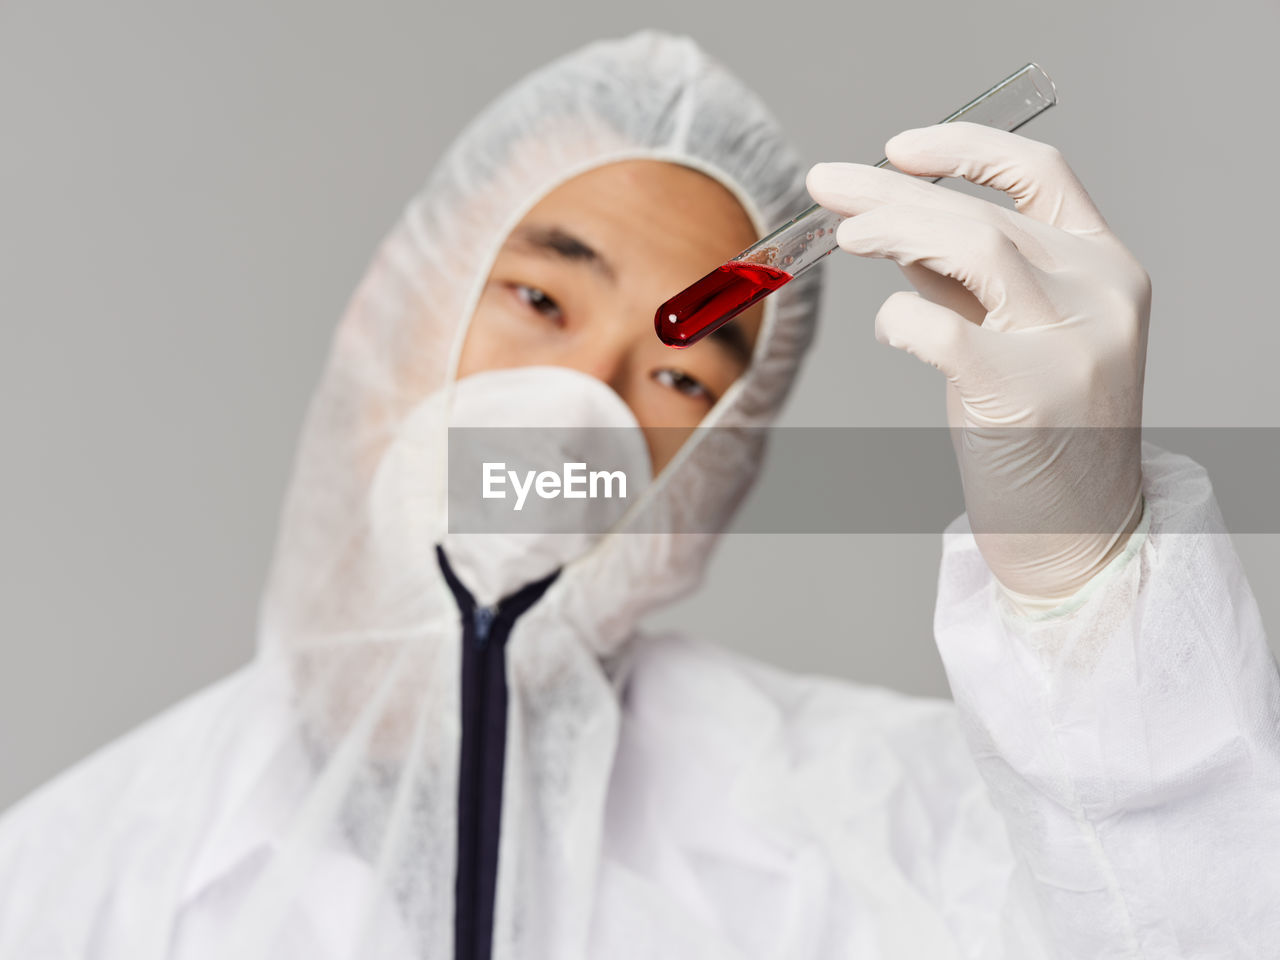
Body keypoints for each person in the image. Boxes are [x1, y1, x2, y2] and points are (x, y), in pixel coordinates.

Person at [1, 30, 1277, 960]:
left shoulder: (871, 833)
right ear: (389, 307)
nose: (578, 406)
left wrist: (1081, 571)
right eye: (541, 299)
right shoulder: (67, 884)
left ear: (722, 461)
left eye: (676, 370)